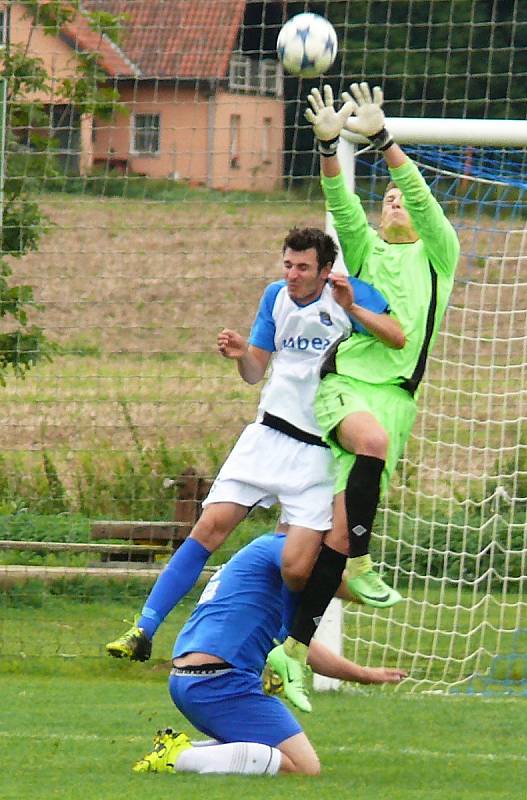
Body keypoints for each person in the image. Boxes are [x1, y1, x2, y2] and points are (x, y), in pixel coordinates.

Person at [106, 226, 405, 662]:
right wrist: (243, 353)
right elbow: (255, 372)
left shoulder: (347, 294)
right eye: (287, 264)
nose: (293, 274)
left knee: (298, 567)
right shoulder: (275, 297)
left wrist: (353, 307)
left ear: (325, 270)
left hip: (318, 454)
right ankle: (143, 628)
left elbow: (397, 336)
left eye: (303, 267)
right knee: (208, 528)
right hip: (267, 436)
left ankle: (281, 657)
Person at [267, 83, 460, 711]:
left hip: (398, 402)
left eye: (403, 198)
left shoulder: (439, 255)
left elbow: (428, 204)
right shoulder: (368, 252)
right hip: (347, 388)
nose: (395, 202)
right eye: (389, 199)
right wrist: (330, 146)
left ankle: (290, 652)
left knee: (321, 552)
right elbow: (339, 201)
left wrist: (386, 142)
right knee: (367, 454)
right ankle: (363, 564)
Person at [131, 531, 407, 777]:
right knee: (303, 766)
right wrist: (373, 592)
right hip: (220, 683)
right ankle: (180, 758)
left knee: (262, 750)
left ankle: (181, 750)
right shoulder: (280, 549)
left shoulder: (263, 564)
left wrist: (363, 675)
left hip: (193, 680)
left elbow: (298, 648)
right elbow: (327, 578)